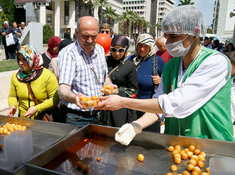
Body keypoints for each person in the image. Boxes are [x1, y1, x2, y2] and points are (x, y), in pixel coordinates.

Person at [97, 5, 235, 144]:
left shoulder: (215, 62)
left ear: (195, 33)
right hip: (177, 143)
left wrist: (123, 102)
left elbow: (176, 103)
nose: (168, 42)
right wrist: (136, 126)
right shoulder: (171, 66)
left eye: (174, 36)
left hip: (212, 144)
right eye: (166, 36)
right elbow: (158, 105)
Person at [58, 16, 113, 128]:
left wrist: (110, 88)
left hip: (98, 114)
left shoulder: (100, 50)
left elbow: (104, 77)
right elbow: (63, 88)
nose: (89, 40)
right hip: (77, 118)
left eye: (93, 36)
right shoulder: (69, 54)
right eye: (85, 36)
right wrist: (75, 98)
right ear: (77, 33)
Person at [8, 44, 59, 119]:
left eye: (24, 59)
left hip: (43, 120)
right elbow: (12, 96)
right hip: (23, 120)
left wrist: (37, 108)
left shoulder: (47, 75)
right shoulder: (16, 76)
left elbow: (55, 99)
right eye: (19, 59)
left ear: (33, 59)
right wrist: (13, 105)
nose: (20, 63)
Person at [130, 33, 165, 132]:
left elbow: (169, 80)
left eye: (146, 46)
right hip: (131, 108)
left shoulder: (157, 61)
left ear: (150, 47)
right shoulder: (131, 60)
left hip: (150, 110)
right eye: (140, 45)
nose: (142, 49)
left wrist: (161, 80)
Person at [105, 35, 138, 127]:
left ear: (126, 50)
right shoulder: (104, 62)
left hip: (120, 107)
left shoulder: (129, 66)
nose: (117, 53)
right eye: (114, 49)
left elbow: (133, 92)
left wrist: (131, 117)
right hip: (103, 105)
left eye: (121, 50)